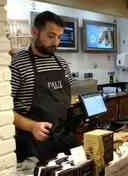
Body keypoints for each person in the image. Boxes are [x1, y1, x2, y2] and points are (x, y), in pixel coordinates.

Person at [11, 11, 76, 163]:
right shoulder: (18, 64)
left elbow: (68, 99)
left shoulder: (62, 63)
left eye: (59, 37)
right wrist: (32, 126)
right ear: (35, 32)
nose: (56, 42)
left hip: (64, 138)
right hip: (33, 144)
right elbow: (2, 110)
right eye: (51, 36)